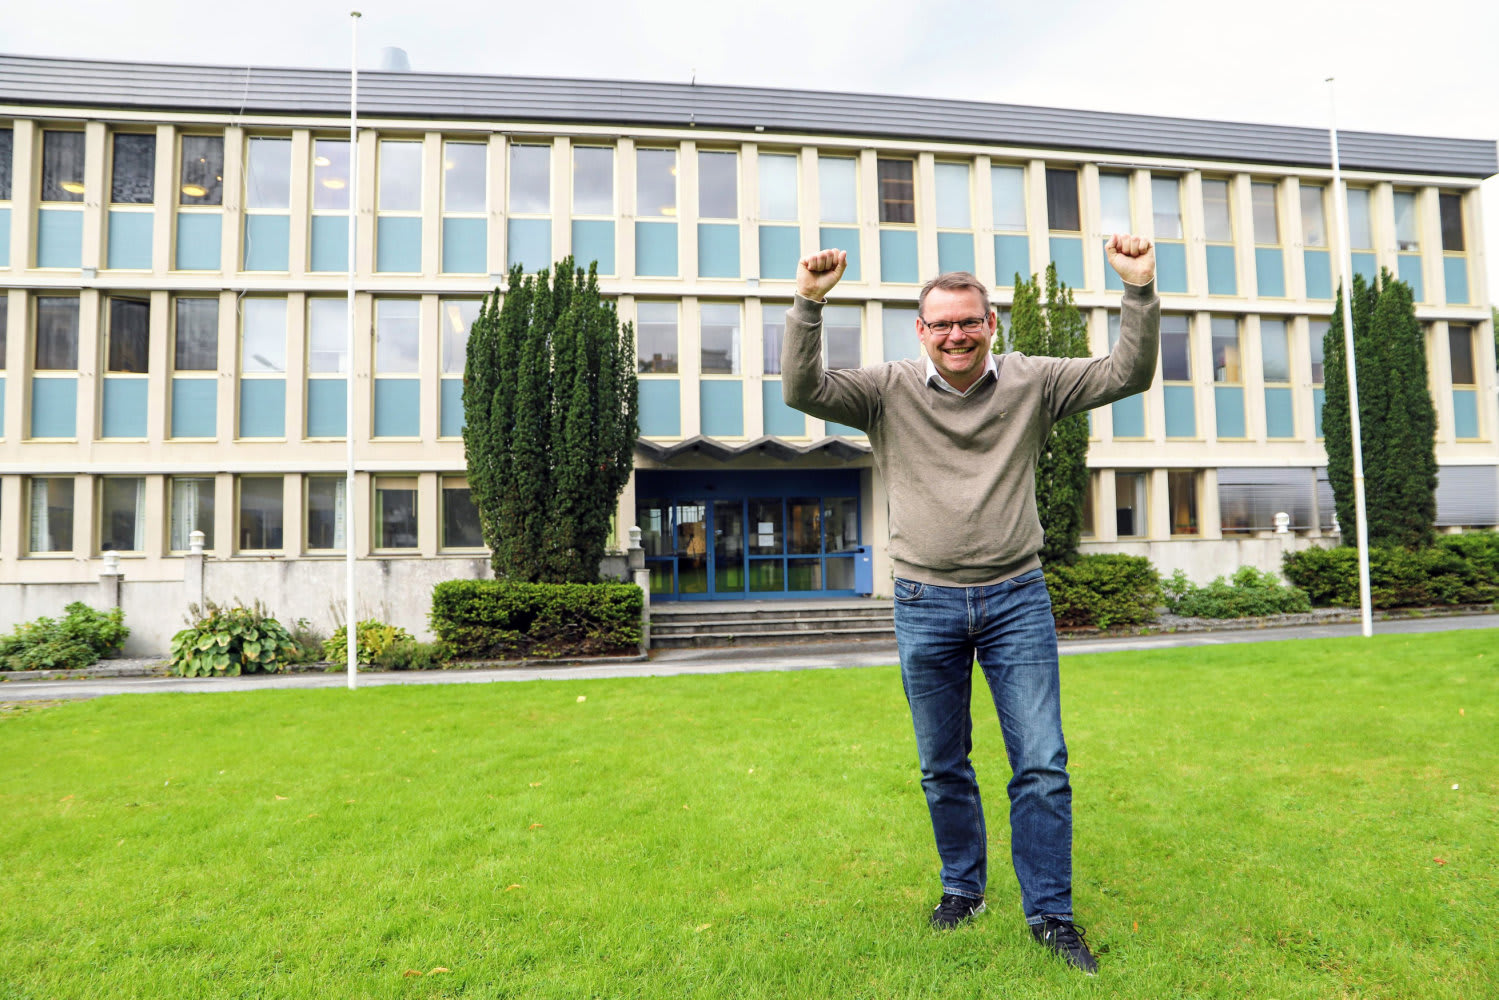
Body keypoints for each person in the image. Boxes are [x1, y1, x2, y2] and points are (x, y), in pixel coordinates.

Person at [781, 236, 1159, 975]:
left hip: (1017, 596)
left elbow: (1127, 372)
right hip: (924, 600)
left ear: (992, 325)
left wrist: (1138, 289)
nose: (956, 335)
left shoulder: (1033, 381)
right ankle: (963, 889)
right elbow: (803, 390)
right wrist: (808, 303)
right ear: (921, 331)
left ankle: (1049, 914)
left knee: (1041, 763)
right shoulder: (885, 390)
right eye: (942, 324)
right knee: (941, 764)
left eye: (969, 322)